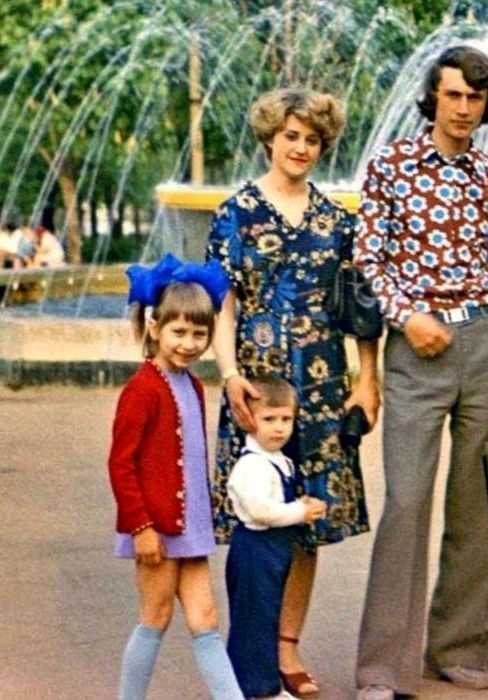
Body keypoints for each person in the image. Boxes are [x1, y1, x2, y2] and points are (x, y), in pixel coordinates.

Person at [353, 45, 488, 700]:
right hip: (418, 349)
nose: (463, 107)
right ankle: (383, 668)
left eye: (476, 97)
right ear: (433, 96)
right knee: (406, 500)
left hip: (486, 344)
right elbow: (368, 255)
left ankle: (458, 648)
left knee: (480, 502)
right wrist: (407, 316)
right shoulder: (392, 167)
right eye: (453, 94)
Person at [206, 87, 380, 699]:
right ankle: (251, 649)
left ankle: (287, 650)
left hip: (324, 388)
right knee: (259, 520)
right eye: (291, 137)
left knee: (308, 521)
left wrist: (367, 379)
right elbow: (222, 307)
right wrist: (228, 376)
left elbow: (360, 311)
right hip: (260, 385)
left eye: (312, 139)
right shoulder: (236, 213)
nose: (301, 147)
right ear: (271, 140)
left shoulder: (338, 221)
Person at [108, 254, 243, 700]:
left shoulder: (193, 386)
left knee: (205, 619)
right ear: (154, 328)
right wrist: (142, 527)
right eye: (178, 332)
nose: (188, 343)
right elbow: (121, 464)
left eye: (199, 334)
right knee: (156, 616)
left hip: (192, 526)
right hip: (157, 527)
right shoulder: (142, 389)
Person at [225, 375, 327, 700]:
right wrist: (300, 511)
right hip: (255, 549)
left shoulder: (278, 460)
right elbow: (260, 511)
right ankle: (258, 688)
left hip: (273, 552)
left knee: (268, 615)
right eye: (269, 419)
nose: (280, 428)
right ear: (248, 419)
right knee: (254, 619)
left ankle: (262, 682)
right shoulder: (252, 465)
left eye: (286, 419)